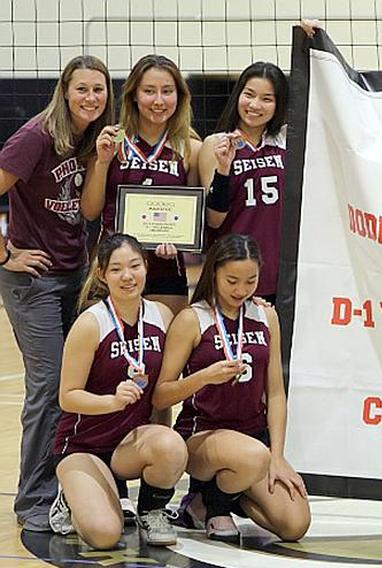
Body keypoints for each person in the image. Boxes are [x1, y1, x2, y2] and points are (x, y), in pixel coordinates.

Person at [0, 55, 114, 531]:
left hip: (74, 276)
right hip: (34, 282)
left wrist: (102, 161)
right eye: (82, 89)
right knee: (48, 391)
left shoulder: (91, 137)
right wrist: (5, 256)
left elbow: (87, 212)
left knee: (79, 386)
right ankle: (33, 501)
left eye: (99, 90)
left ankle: (71, 487)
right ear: (64, 90)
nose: (91, 98)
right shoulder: (35, 137)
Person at [153, 234, 310, 542]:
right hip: (203, 436)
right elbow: (161, 394)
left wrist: (277, 456)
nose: (241, 290)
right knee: (252, 456)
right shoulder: (191, 319)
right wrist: (203, 377)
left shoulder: (267, 316)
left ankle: (205, 502)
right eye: (232, 281)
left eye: (250, 281)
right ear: (214, 273)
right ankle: (215, 503)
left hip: (254, 441)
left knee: (294, 525)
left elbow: (276, 392)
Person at [49, 233, 185, 548]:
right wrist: (112, 401)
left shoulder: (162, 316)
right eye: (116, 269)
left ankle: (152, 510)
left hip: (128, 446)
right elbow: (67, 397)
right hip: (83, 445)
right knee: (104, 535)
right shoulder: (90, 323)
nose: (127, 276)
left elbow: (162, 391)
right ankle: (70, 497)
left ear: (146, 267)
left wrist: (160, 439)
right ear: (102, 275)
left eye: (134, 266)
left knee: (172, 445)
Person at [82, 54, 202, 315]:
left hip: (166, 267)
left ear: (179, 96)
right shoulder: (112, 140)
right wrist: (102, 163)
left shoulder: (190, 147)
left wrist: (179, 241)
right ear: (134, 94)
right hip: (112, 265)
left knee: (164, 352)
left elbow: (194, 216)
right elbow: (90, 211)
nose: (159, 101)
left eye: (167, 91)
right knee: (109, 350)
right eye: (149, 91)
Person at [198, 61, 289, 304]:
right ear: (238, 95)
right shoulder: (215, 144)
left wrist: (310, 42)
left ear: (279, 104)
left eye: (267, 98)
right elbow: (214, 219)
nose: (255, 105)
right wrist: (224, 169)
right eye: (249, 95)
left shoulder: (286, 141)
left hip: (281, 270)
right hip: (235, 272)